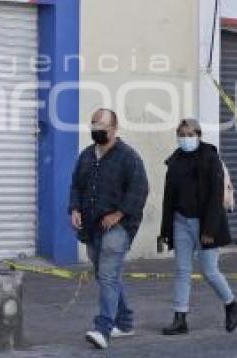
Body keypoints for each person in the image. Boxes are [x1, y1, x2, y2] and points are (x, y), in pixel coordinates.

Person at [69, 108, 149, 350]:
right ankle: (124, 322)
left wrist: (118, 214)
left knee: (107, 275)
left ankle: (103, 328)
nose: (97, 129)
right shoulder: (85, 156)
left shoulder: (129, 157)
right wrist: (74, 209)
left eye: (102, 126)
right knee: (107, 276)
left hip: (120, 227)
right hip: (92, 227)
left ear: (115, 129)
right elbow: (76, 186)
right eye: (94, 124)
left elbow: (140, 190)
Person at [158, 118, 237, 335]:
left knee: (210, 271)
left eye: (189, 134)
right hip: (180, 221)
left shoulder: (210, 158)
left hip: (204, 223)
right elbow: (169, 197)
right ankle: (180, 317)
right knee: (182, 271)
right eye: (181, 134)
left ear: (199, 135)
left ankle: (231, 303)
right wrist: (165, 230)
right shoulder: (175, 160)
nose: (185, 138)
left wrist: (209, 230)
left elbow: (215, 196)